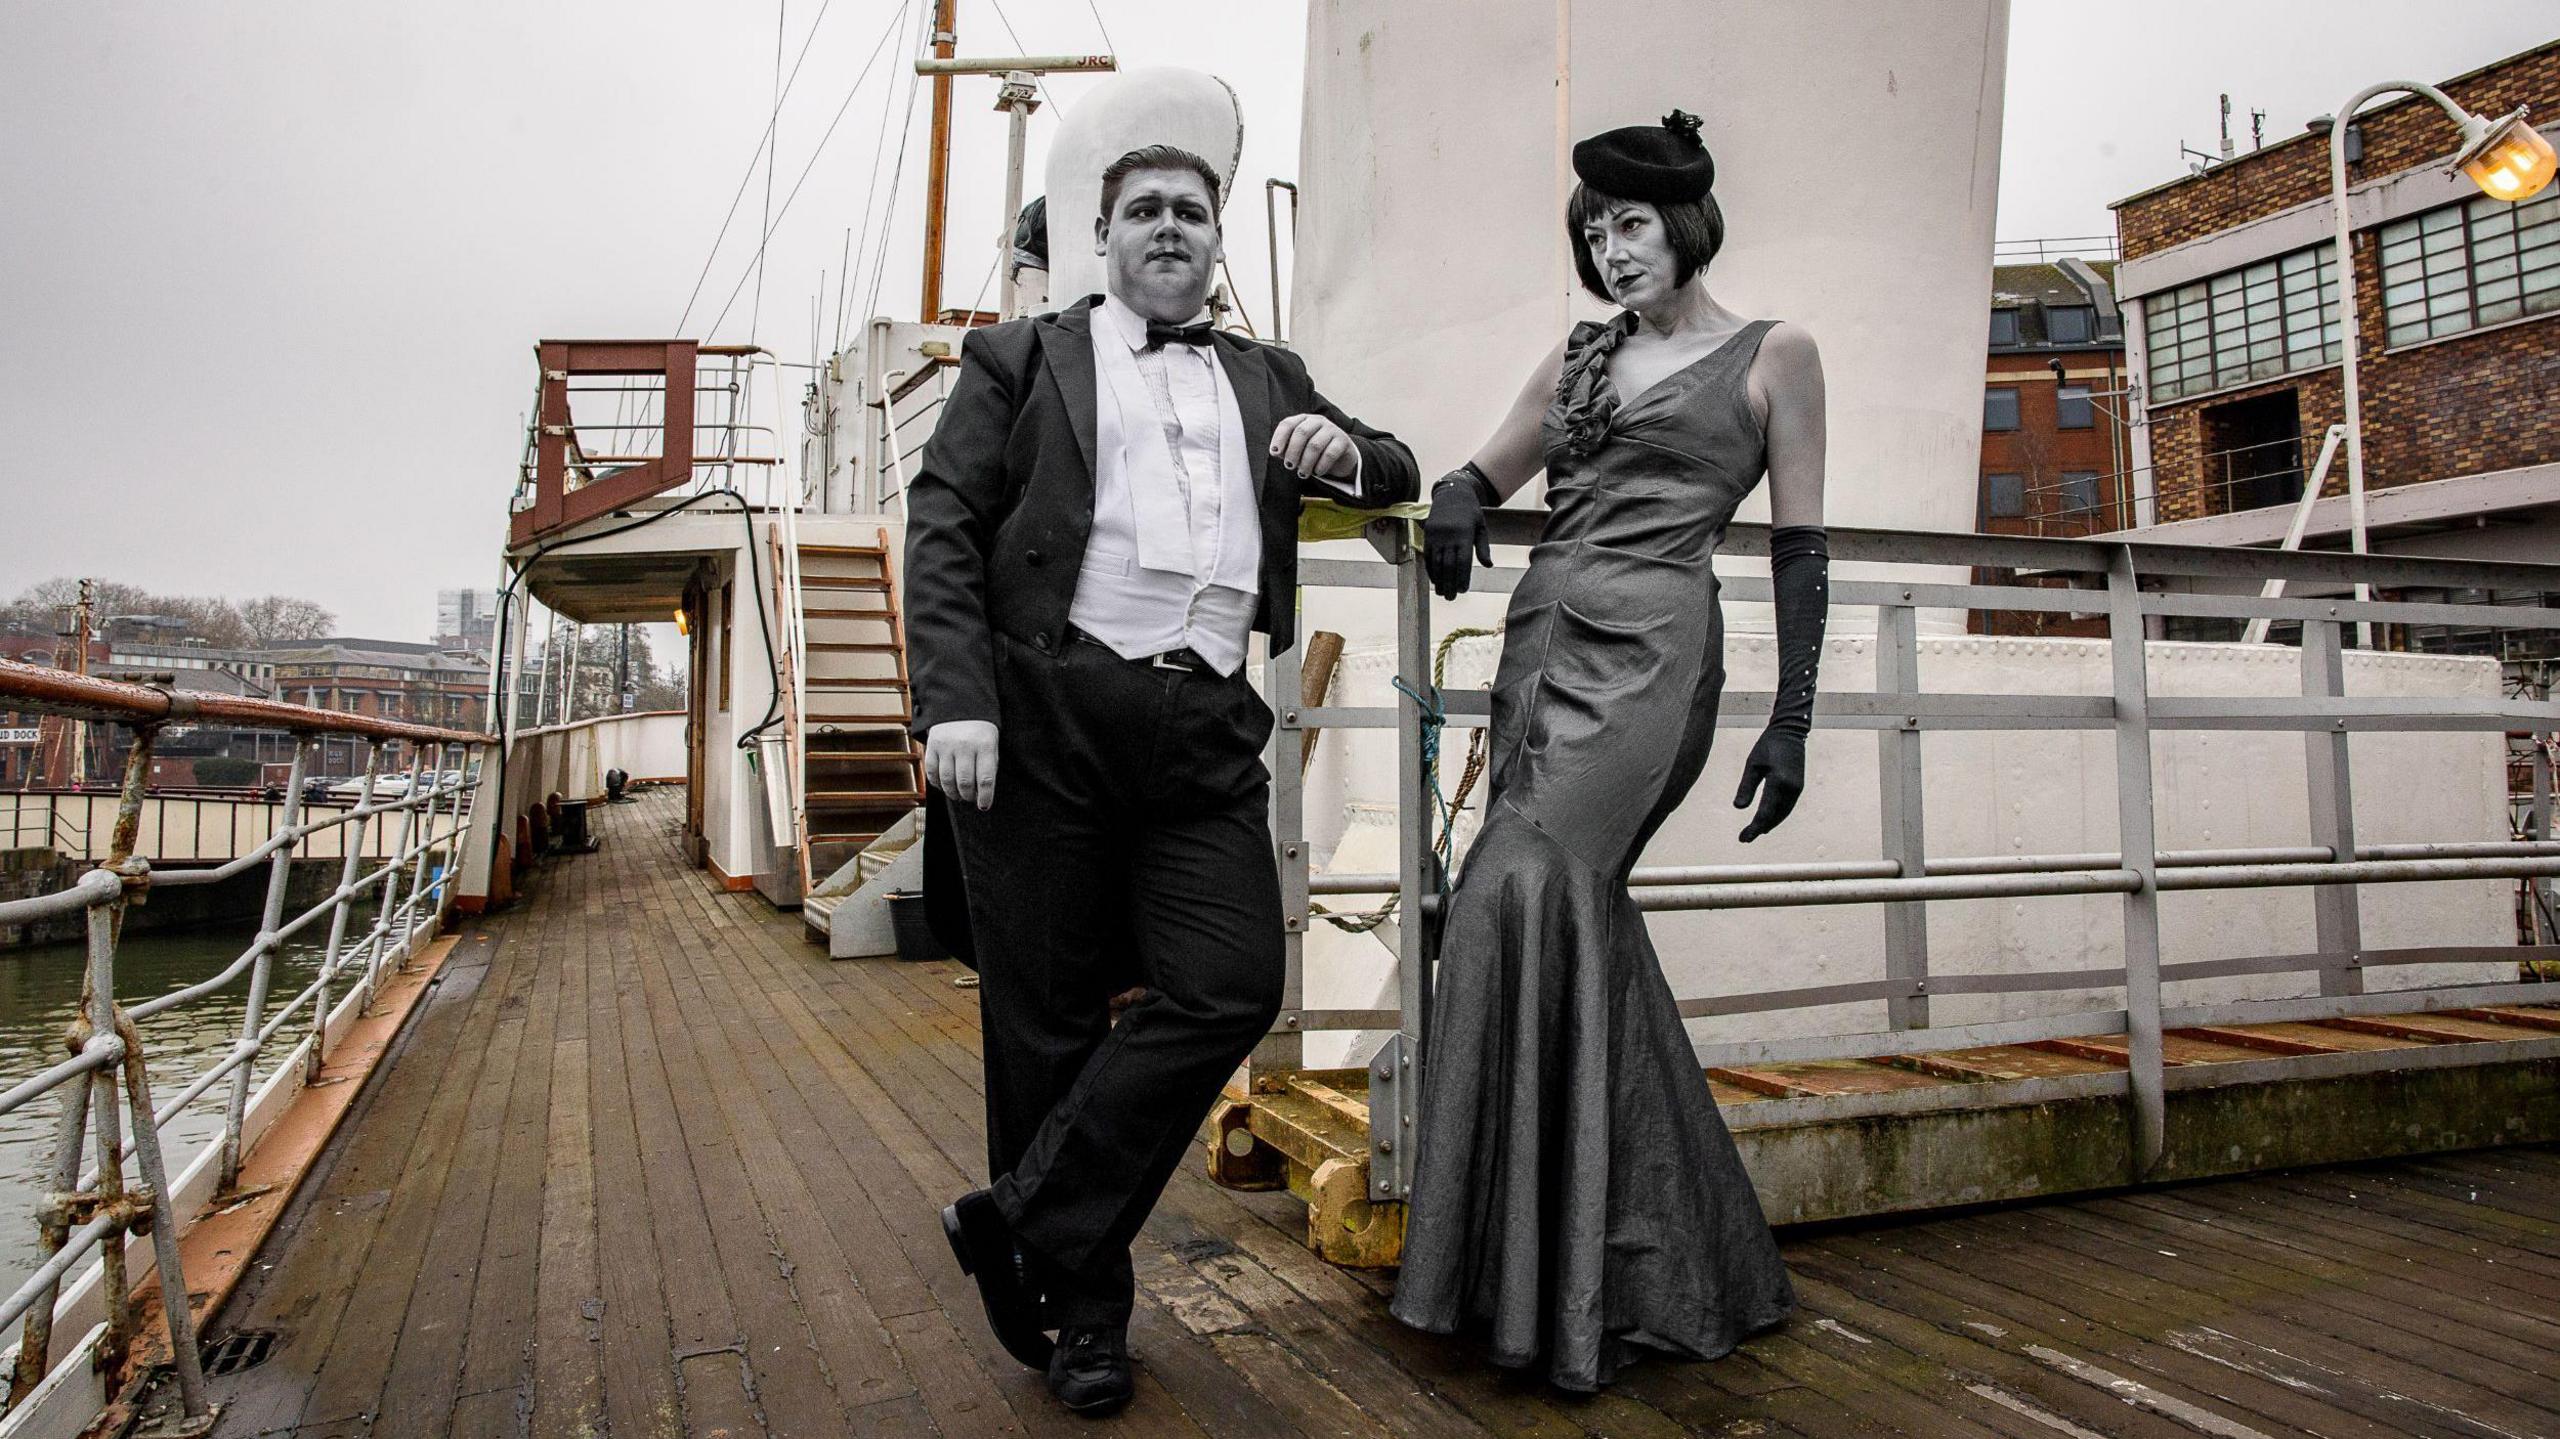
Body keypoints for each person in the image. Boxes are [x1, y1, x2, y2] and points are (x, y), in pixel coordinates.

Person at [903, 144, 1419, 1415]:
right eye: (1146, 212)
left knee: (1231, 979)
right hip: (1046, 716)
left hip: (1200, 727)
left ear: (1215, 239)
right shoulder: (1019, 360)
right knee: (1047, 1023)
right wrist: (957, 699)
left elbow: (1396, 462)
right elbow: (944, 523)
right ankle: (1088, 1320)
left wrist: (1348, 457)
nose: (1170, 229)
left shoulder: (1269, 375)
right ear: (1104, 236)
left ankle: (1023, 1216)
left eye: (1192, 212)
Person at [1390, 110, 1826, 1391]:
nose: (1612, 246)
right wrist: (1461, 499)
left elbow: (1801, 547)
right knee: (1540, 913)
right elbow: (1484, 465)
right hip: (1536, 655)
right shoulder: (1578, 356)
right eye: (1595, 229)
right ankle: (1633, 1260)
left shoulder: (1774, 353)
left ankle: (1559, 1273)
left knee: (1522, 885)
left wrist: (1790, 717)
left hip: (1650, 660)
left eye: (1632, 223)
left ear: (1684, 225)